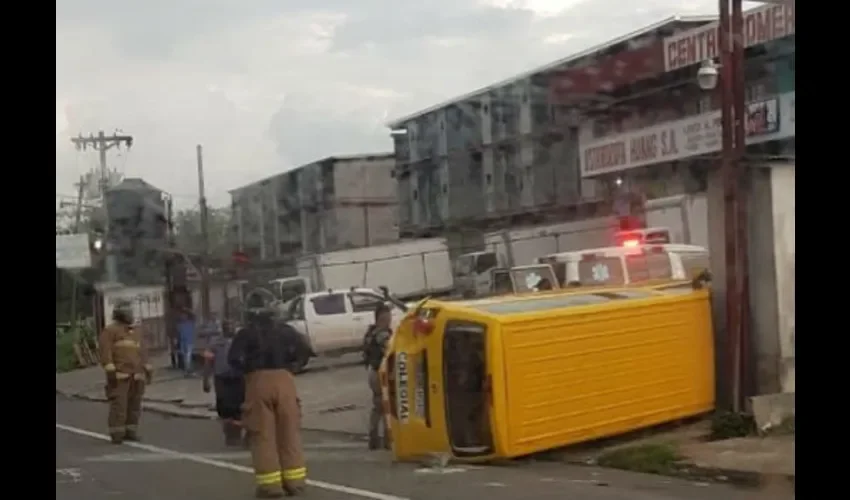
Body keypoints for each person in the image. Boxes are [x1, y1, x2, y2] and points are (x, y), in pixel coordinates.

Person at [228, 308, 310, 498]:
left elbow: (233, 359)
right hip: (285, 380)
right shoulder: (286, 330)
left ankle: (270, 486)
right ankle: (295, 482)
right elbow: (305, 350)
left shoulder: (246, 333)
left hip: (257, 382)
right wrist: (293, 367)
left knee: (263, 435)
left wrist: (247, 370)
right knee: (289, 432)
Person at [99, 299, 152, 444]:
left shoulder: (135, 332)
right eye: (128, 312)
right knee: (119, 406)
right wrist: (111, 372)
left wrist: (147, 368)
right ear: (121, 314)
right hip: (120, 376)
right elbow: (105, 353)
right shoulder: (110, 331)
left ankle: (131, 431)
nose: (131, 315)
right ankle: (117, 434)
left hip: (136, 375)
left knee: (134, 405)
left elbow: (142, 351)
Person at [202, 320, 246, 447]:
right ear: (222, 329)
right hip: (222, 378)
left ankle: (237, 434)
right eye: (227, 326)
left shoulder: (241, 341)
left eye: (231, 326)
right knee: (224, 408)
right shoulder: (215, 343)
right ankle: (229, 435)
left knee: (239, 408)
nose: (229, 328)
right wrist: (206, 380)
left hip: (238, 377)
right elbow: (208, 362)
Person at [362, 303, 392, 450]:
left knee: (378, 407)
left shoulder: (371, 332)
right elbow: (390, 348)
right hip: (379, 372)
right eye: (388, 317)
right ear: (382, 318)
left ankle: (374, 440)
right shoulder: (382, 334)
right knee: (386, 405)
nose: (390, 319)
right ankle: (387, 440)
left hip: (372, 371)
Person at [177, 306, 197, 377]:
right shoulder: (180, 324)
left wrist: (187, 310)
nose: (183, 316)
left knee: (188, 357)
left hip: (189, 341)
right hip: (184, 342)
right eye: (182, 315)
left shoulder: (190, 322)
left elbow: (194, 316)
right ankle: (188, 371)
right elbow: (179, 335)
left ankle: (188, 371)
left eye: (184, 315)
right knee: (186, 357)